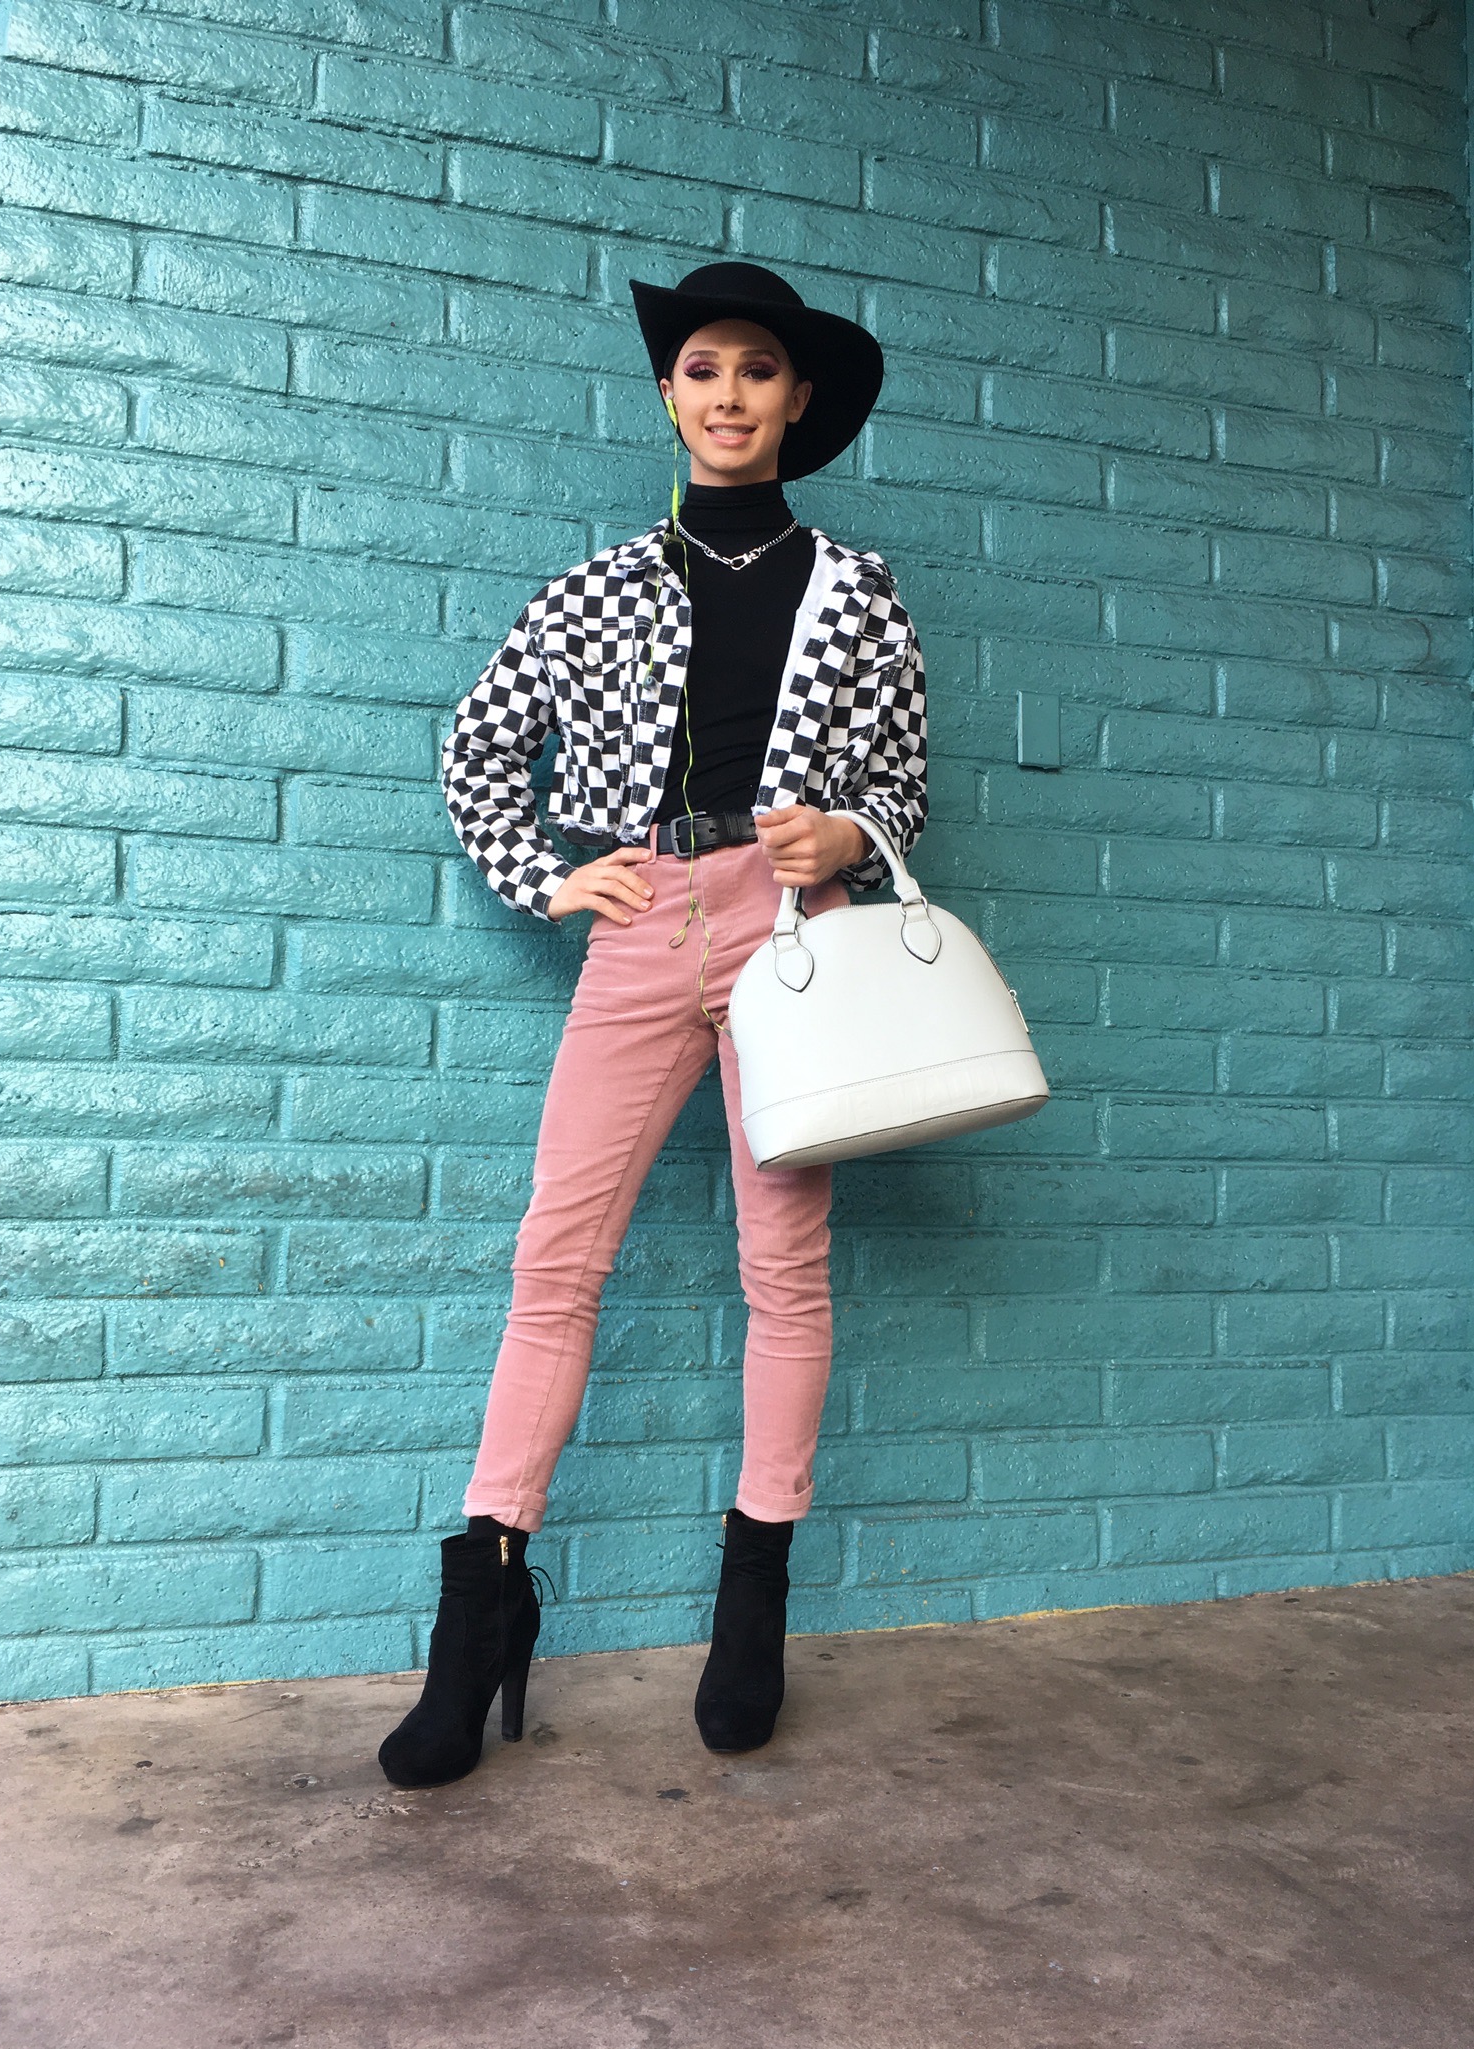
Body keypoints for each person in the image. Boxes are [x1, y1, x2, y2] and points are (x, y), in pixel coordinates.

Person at [379, 262, 928, 1789]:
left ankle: (752, 1601)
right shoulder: (597, 586)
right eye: (704, 367)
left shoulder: (859, 588)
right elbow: (479, 744)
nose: (731, 393)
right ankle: (482, 1607)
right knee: (557, 1257)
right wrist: (549, 876)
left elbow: (905, 787)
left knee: (782, 1267)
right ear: (670, 393)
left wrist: (850, 836)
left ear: (799, 399)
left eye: (759, 369)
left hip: (792, 940)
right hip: (645, 921)